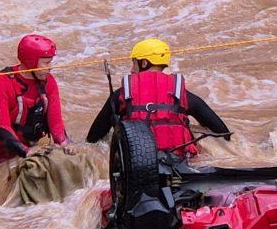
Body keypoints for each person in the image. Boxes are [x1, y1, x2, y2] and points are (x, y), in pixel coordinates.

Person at [86, 38, 230, 157]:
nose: (132, 68)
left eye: (134, 62)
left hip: (136, 163)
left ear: (144, 63)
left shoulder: (123, 93)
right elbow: (223, 132)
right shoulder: (181, 93)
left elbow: (93, 138)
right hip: (180, 162)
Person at [0, 34, 73, 164]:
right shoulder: (0, 82)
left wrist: (64, 143)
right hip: (0, 155)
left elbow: (56, 121)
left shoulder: (49, 82)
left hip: (30, 148)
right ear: (31, 62)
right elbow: (1, 126)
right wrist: (26, 151)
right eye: (46, 63)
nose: (50, 67)